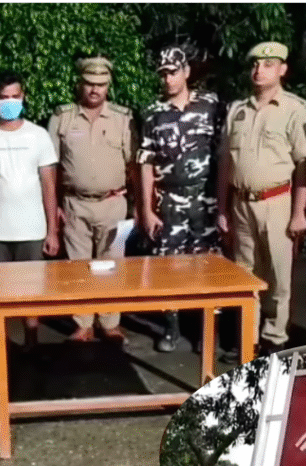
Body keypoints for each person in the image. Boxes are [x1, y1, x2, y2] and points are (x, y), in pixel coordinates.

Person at [217, 41, 306, 361]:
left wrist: (299, 212)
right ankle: (248, 339)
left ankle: (274, 339)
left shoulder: (295, 109)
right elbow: (226, 162)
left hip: (277, 202)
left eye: (268, 65)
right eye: (256, 64)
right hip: (241, 204)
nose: (259, 70)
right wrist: (222, 208)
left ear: (283, 69)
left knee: (277, 276)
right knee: (245, 275)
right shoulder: (237, 110)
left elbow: (304, 164)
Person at [136, 46, 223, 353]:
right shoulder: (152, 112)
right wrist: (146, 209)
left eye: (173, 72)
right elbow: (145, 162)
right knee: (167, 266)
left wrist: (223, 204)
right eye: (163, 74)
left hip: (204, 199)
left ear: (186, 72)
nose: (168, 79)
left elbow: (225, 154)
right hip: (170, 201)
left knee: (207, 265)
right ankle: (171, 329)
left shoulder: (211, 105)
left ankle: (206, 332)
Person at [0, 70, 59, 352]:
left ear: (23, 97)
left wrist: (53, 231)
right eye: (4, 97)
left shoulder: (39, 135)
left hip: (32, 229)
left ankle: (32, 345)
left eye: (15, 96)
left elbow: (49, 185)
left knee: (32, 292)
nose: (10, 102)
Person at [47, 56, 136, 344]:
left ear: (108, 85)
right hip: (75, 204)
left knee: (112, 265)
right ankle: (83, 322)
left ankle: (109, 322)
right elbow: (50, 166)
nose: (95, 89)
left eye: (101, 84)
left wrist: (136, 204)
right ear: (80, 84)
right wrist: (54, 206)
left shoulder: (123, 118)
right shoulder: (62, 117)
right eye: (89, 83)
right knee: (78, 266)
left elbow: (134, 165)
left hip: (113, 203)